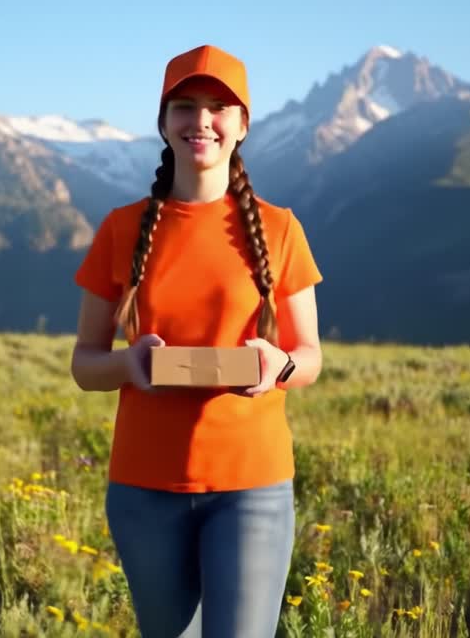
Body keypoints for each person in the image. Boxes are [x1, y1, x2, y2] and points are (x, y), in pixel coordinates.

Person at [70, 44, 324, 637]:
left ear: (242, 125)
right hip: (142, 488)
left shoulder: (281, 229)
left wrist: (279, 364)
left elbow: (310, 356)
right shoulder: (120, 229)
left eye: (218, 107)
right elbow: (85, 363)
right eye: (185, 106)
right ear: (164, 122)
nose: (201, 121)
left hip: (252, 486)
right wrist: (129, 366)